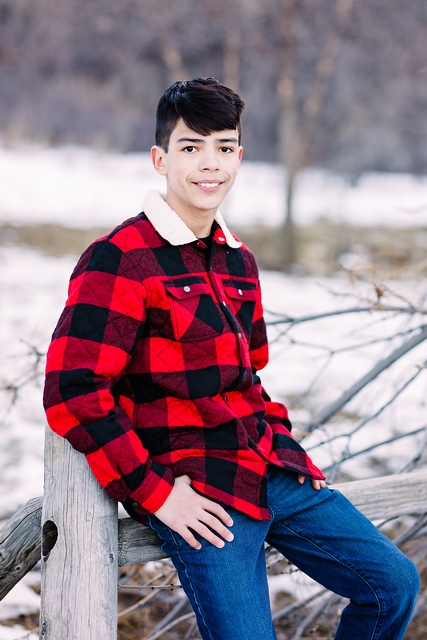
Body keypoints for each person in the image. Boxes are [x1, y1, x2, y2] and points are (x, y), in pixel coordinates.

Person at [43, 77, 419, 639]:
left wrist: (286, 447)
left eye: (223, 146)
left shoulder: (238, 260)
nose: (209, 163)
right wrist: (155, 494)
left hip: (267, 465)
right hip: (198, 490)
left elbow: (249, 378)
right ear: (160, 159)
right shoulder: (121, 258)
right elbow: (72, 391)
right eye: (191, 147)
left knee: (393, 584)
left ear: (240, 157)